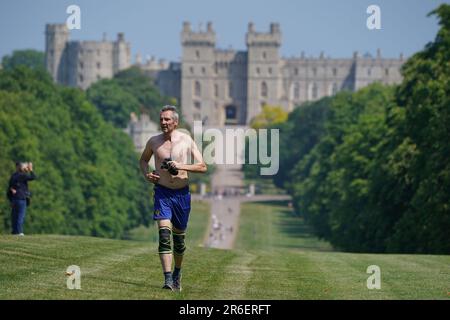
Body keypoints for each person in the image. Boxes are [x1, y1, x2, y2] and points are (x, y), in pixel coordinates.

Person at [140, 105, 207, 292]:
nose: (163, 122)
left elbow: (202, 166)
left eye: (167, 119)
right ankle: (168, 279)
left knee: (179, 241)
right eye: (161, 119)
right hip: (162, 193)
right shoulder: (153, 142)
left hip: (182, 194)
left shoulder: (186, 140)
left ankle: (177, 272)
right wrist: (147, 174)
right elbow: (143, 160)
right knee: (163, 235)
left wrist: (181, 166)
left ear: (175, 122)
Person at [7, 162, 36, 236]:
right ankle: (19, 232)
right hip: (21, 198)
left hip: (14, 199)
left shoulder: (13, 176)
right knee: (20, 215)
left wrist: (10, 199)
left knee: (14, 216)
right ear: (21, 168)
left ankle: (14, 231)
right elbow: (33, 177)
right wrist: (31, 169)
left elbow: (10, 188)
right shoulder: (22, 175)